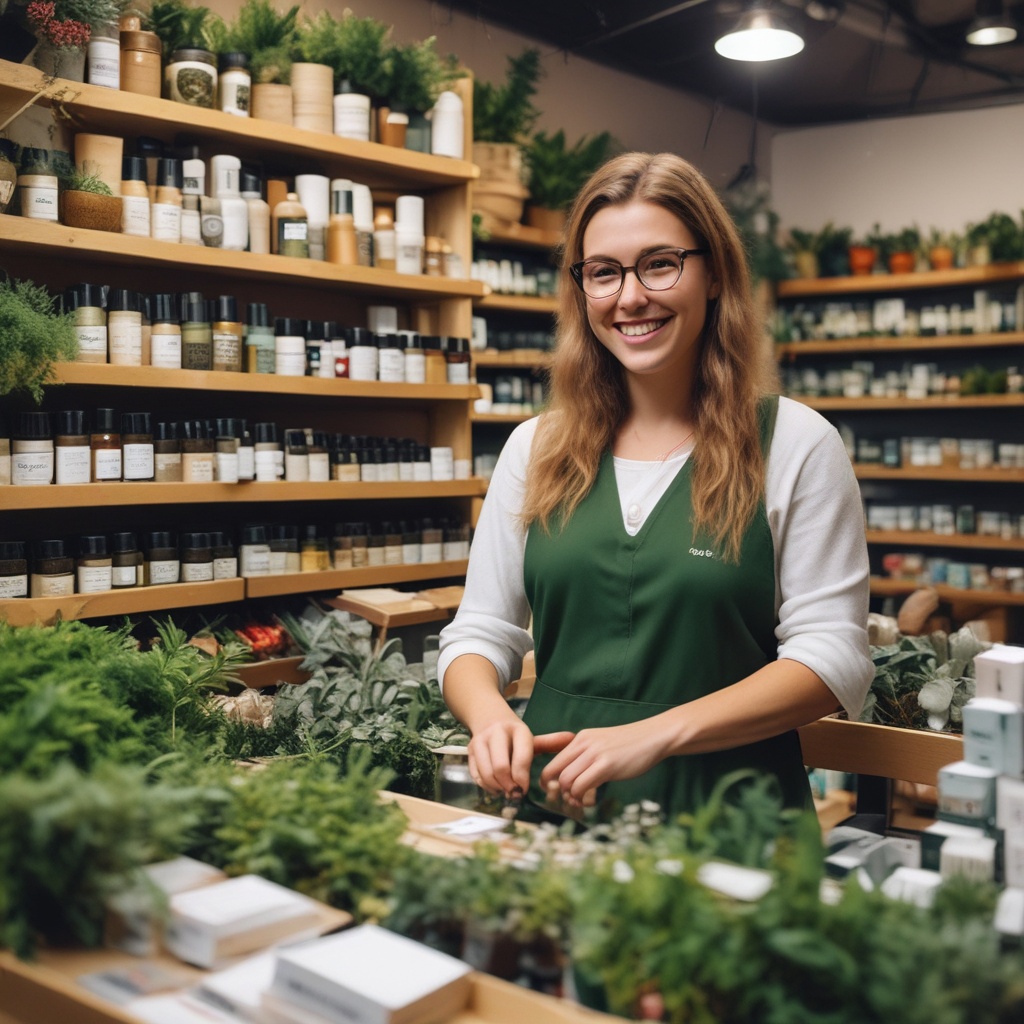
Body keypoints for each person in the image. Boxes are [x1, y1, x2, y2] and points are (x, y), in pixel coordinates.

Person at [438, 151, 873, 823]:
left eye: (660, 264)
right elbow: (481, 631)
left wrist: (659, 732)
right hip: (558, 819)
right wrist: (490, 715)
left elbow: (832, 658)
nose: (630, 296)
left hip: (731, 823)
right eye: (603, 272)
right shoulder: (536, 448)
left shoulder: (794, 443)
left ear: (715, 273)